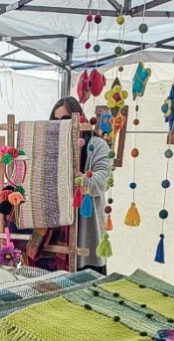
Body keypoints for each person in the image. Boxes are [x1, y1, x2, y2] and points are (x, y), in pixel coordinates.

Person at [46, 96, 111, 275]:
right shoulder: (52, 147)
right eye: (56, 121)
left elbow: (102, 180)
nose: (61, 125)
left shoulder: (97, 145)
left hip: (84, 227)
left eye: (66, 119)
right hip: (55, 232)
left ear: (79, 118)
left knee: (86, 285)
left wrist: (79, 180)